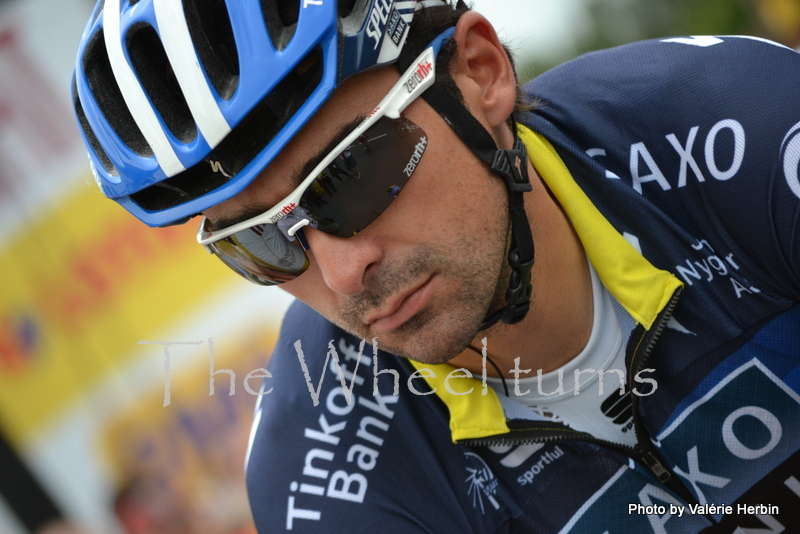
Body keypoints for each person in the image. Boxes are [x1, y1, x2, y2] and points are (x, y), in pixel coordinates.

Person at [71, 1, 800, 532]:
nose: (342, 271)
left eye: (350, 174)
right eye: (260, 243)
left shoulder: (742, 132)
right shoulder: (317, 471)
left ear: (479, 74)